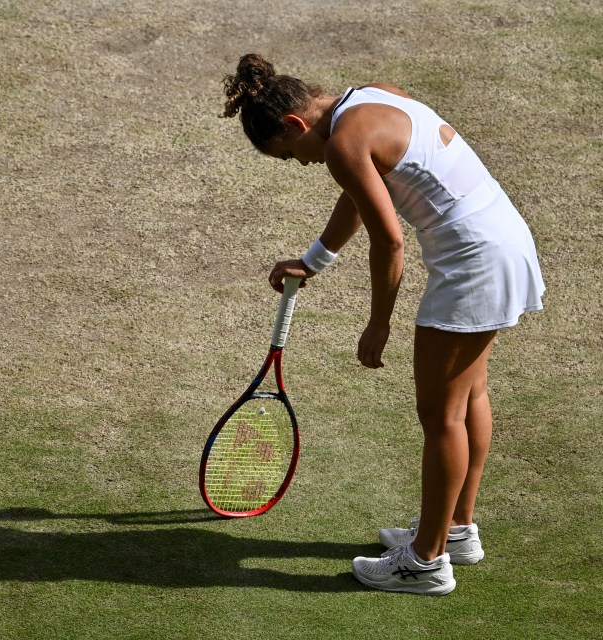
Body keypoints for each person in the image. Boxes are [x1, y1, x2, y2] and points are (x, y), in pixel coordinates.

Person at [221, 53, 545, 595]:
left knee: (441, 415)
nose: (300, 164)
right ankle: (457, 530)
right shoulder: (372, 95)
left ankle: (426, 562)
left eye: (289, 155)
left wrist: (379, 324)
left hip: (473, 262)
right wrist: (315, 260)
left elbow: (390, 239)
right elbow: (360, 191)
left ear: (297, 126)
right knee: (469, 398)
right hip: (504, 240)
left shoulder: (343, 145)